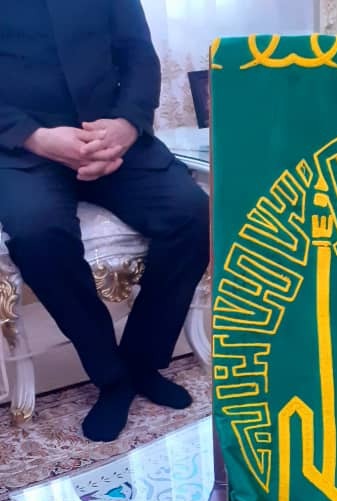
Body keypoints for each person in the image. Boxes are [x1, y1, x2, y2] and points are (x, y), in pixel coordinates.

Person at [0, 1, 209, 442]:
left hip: (113, 137)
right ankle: (111, 376)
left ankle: (141, 360)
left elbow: (138, 54)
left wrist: (127, 126)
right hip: (24, 147)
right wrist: (36, 138)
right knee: (38, 233)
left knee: (192, 214)